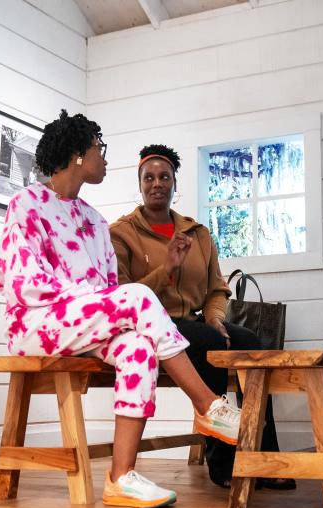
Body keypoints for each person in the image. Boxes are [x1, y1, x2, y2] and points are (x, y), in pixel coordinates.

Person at [0, 110, 243, 508]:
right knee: (138, 299)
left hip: (83, 323)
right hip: (37, 323)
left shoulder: (94, 221)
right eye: (99, 149)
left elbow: (108, 290)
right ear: (77, 155)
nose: (104, 158)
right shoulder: (27, 205)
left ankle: (120, 477)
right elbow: (23, 283)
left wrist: (96, 303)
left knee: (138, 349)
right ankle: (206, 404)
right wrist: (87, 299)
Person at [109, 144, 295, 490]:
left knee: (250, 342)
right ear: (140, 184)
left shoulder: (198, 233)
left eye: (165, 176)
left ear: (175, 183)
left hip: (194, 322)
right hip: (152, 326)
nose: (157, 183)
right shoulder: (121, 233)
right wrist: (167, 268)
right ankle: (223, 461)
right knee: (209, 345)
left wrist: (214, 317)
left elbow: (216, 289)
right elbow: (121, 295)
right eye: (149, 177)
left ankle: (266, 456)